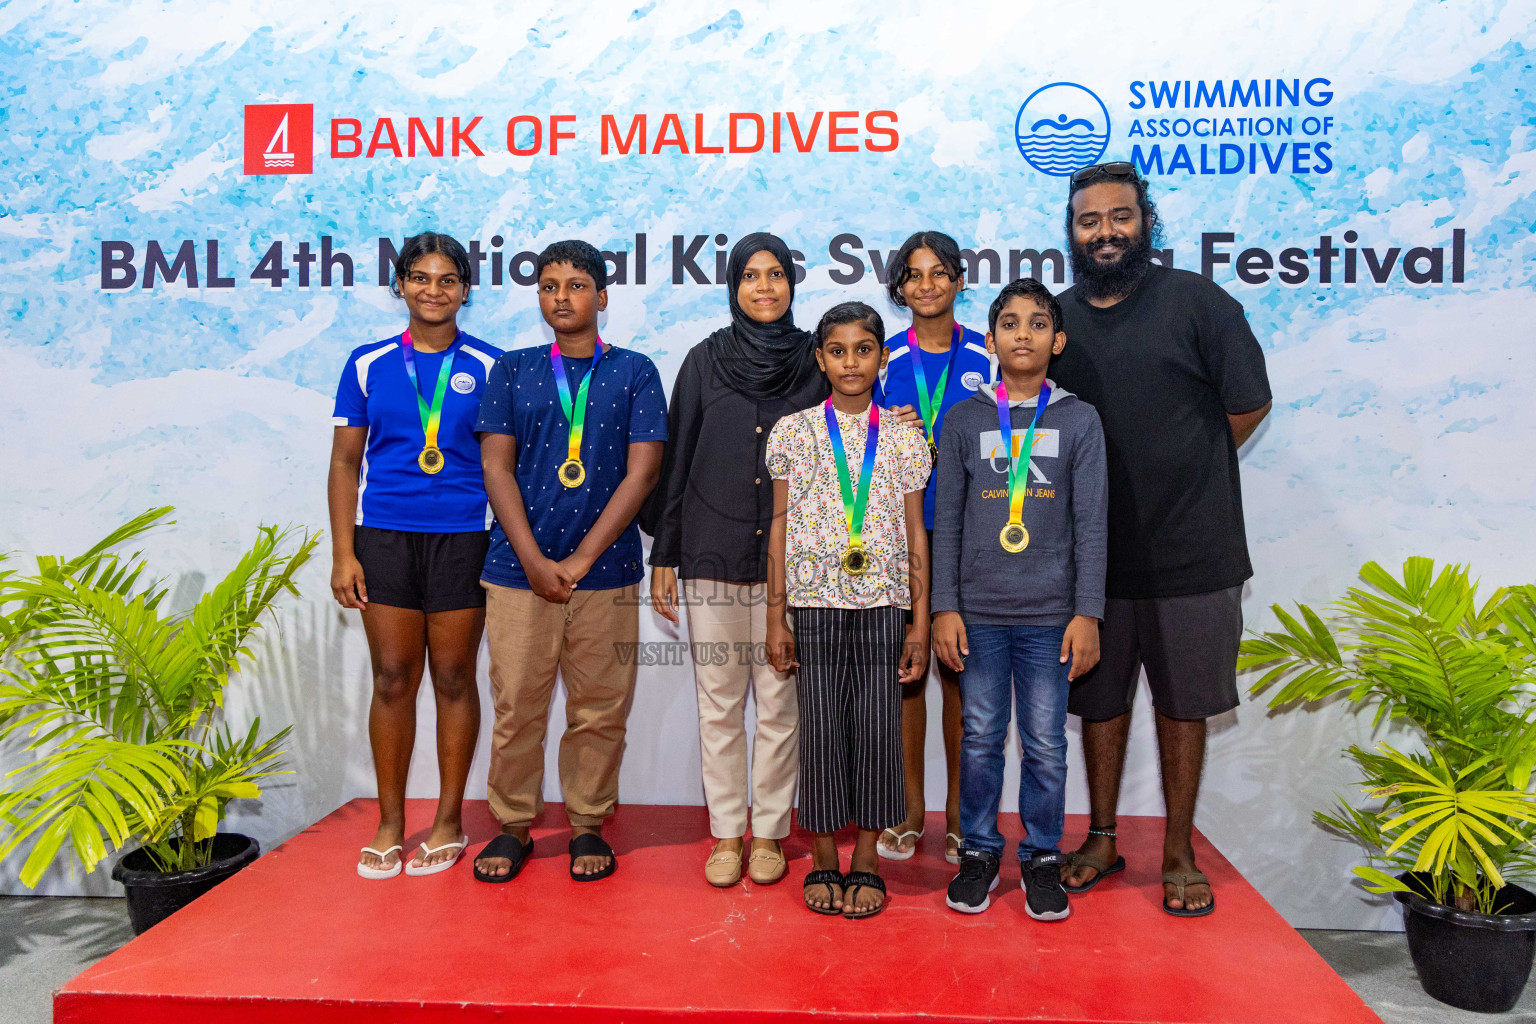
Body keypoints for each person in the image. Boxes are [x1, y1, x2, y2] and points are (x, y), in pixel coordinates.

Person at [1050, 162, 1272, 916]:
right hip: (1090, 563)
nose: (1106, 232)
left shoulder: (1199, 303)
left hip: (1193, 555)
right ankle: (1103, 836)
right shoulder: (1053, 322)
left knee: (1185, 705)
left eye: (1120, 216)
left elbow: (1248, 404)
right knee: (1100, 702)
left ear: (1145, 220)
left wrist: (1188, 470)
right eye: (1090, 220)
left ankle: (1178, 851)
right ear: (1071, 231)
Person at [470, 240, 667, 884]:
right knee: (518, 705)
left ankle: (587, 824)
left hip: (606, 573)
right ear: (539, 298)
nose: (563, 296)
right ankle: (514, 825)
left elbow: (642, 474)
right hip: (517, 571)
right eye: (550, 285)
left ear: (602, 298)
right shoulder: (512, 369)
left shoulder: (635, 371)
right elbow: (496, 467)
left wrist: (582, 557)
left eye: (577, 285)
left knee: (600, 708)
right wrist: (531, 559)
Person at [641, 233, 828, 889]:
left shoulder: (817, 360)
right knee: (718, 704)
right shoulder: (704, 360)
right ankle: (727, 832)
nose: (765, 288)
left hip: (795, 565)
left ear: (792, 284)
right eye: (751, 276)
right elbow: (677, 460)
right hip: (710, 556)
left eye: (776, 275)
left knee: (780, 706)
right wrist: (665, 553)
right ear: (733, 287)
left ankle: (771, 832)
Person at [328, 231, 502, 879]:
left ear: (464, 290)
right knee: (394, 678)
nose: (434, 290)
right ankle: (392, 822)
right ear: (400, 285)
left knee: (455, 676)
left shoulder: (490, 365)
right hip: (386, 539)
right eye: (421, 278)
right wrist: (345, 551)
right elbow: (345, 464)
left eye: (448, 279)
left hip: (464, 539)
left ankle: (452, 818)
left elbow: (502, 468)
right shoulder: (367, 362)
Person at [931, 278, 1106, 920]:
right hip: (976, 614)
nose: (1023, 334)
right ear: (990, 339)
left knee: (1045, 743)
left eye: (1037, 324)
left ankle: (1040, 858)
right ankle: (978, 850)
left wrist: (1087, 613)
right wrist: (943, 607)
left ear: (1056, 341)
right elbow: (945, 520)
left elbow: (1092, 524)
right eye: (1009, 323)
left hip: (1050, 618)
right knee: (978, 737)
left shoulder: (1079, 419)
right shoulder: (966, 418)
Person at [765, 301, 931, 918]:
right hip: (812, 606)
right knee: (821, 731)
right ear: (820, 359)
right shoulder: (794, 432)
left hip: (884, 605)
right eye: (838, 350)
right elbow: (778, 526)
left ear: (883, 358)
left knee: (877, 733)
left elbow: (917, 534)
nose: (851, 361)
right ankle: (824, 855)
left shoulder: (907, 437)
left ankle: (866, 854)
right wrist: (773, 616)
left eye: (864, 349)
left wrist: (918, 622)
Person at [874, 230, 993, 866]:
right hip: (896, 535)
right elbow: (846, 433)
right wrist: (883, 425)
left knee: (962, 681)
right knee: (905, 680)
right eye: (914, 275)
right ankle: (909, 808)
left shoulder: (987, 352)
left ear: (958, 280)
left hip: (973, 535)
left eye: (939, 272)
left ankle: (960, 815)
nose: (927, 285)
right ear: (899, 288)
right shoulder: (883, 357)